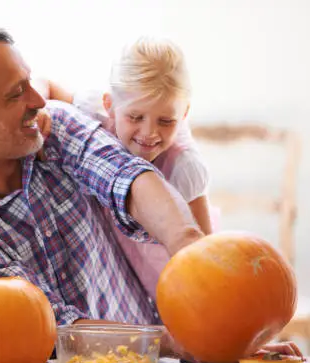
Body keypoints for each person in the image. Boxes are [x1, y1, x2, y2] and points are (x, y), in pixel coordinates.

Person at [0, 23, 203, 357]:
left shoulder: (56, 126)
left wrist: (190, 248)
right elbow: (49, 325)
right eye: (16, 93)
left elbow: (129, 179)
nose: (38, 99)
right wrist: (170, 343)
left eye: (29, 81)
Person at [35, 37, 219, 300]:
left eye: (166, 121)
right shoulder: (93, 108)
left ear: (185, 113)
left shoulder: (183, 165)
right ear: (109, 105)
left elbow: (202, 248)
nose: (149, 133)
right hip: (112, 254)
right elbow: (47, 84)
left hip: (160, 265)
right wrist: (38, 106)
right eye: (135, 117)